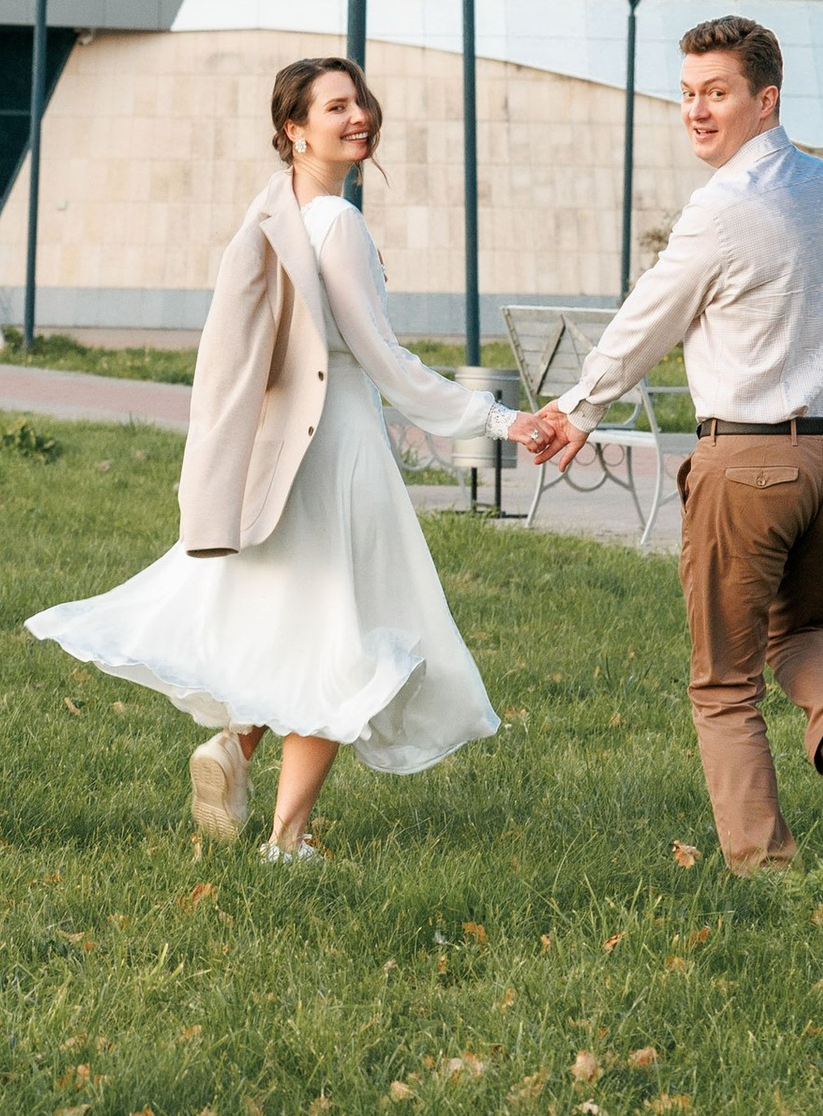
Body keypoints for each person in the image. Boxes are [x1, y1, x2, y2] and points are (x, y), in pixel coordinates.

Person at [26, 54, 505, 859]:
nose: (359, 117)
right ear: (294, 129)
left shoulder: (273, 214)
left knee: (292, 615)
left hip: (288, 444)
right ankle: (286, 838)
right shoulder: (338, 223)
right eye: (335, 108)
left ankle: (235, 746)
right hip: (342, 440)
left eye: (360, 103)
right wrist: (490, 416)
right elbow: (381, 358)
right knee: (344, 635)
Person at [511, 11, 823, 872]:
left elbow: (646, 320)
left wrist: (578, 411)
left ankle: (766, 870)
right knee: (801, 627)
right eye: (686, 93)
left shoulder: (725, 208)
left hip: (751, 463)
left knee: (724, 683)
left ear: (765, 101)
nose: (695, 110)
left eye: (716, 93)